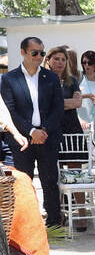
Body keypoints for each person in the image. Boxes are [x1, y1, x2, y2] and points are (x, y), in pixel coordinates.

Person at [1, 37, 64, 226]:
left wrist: (43, 131)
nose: (39, 57)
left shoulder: (51, 77)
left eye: (42, 53)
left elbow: (58, 108)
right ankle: (26, 226)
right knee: (23, 184)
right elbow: (9, 111)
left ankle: (53, 224)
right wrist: (30, 131)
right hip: (22, 141)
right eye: (34, 53)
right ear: (23, 52)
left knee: (50, 182)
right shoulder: (9, 78)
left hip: (47, 138)